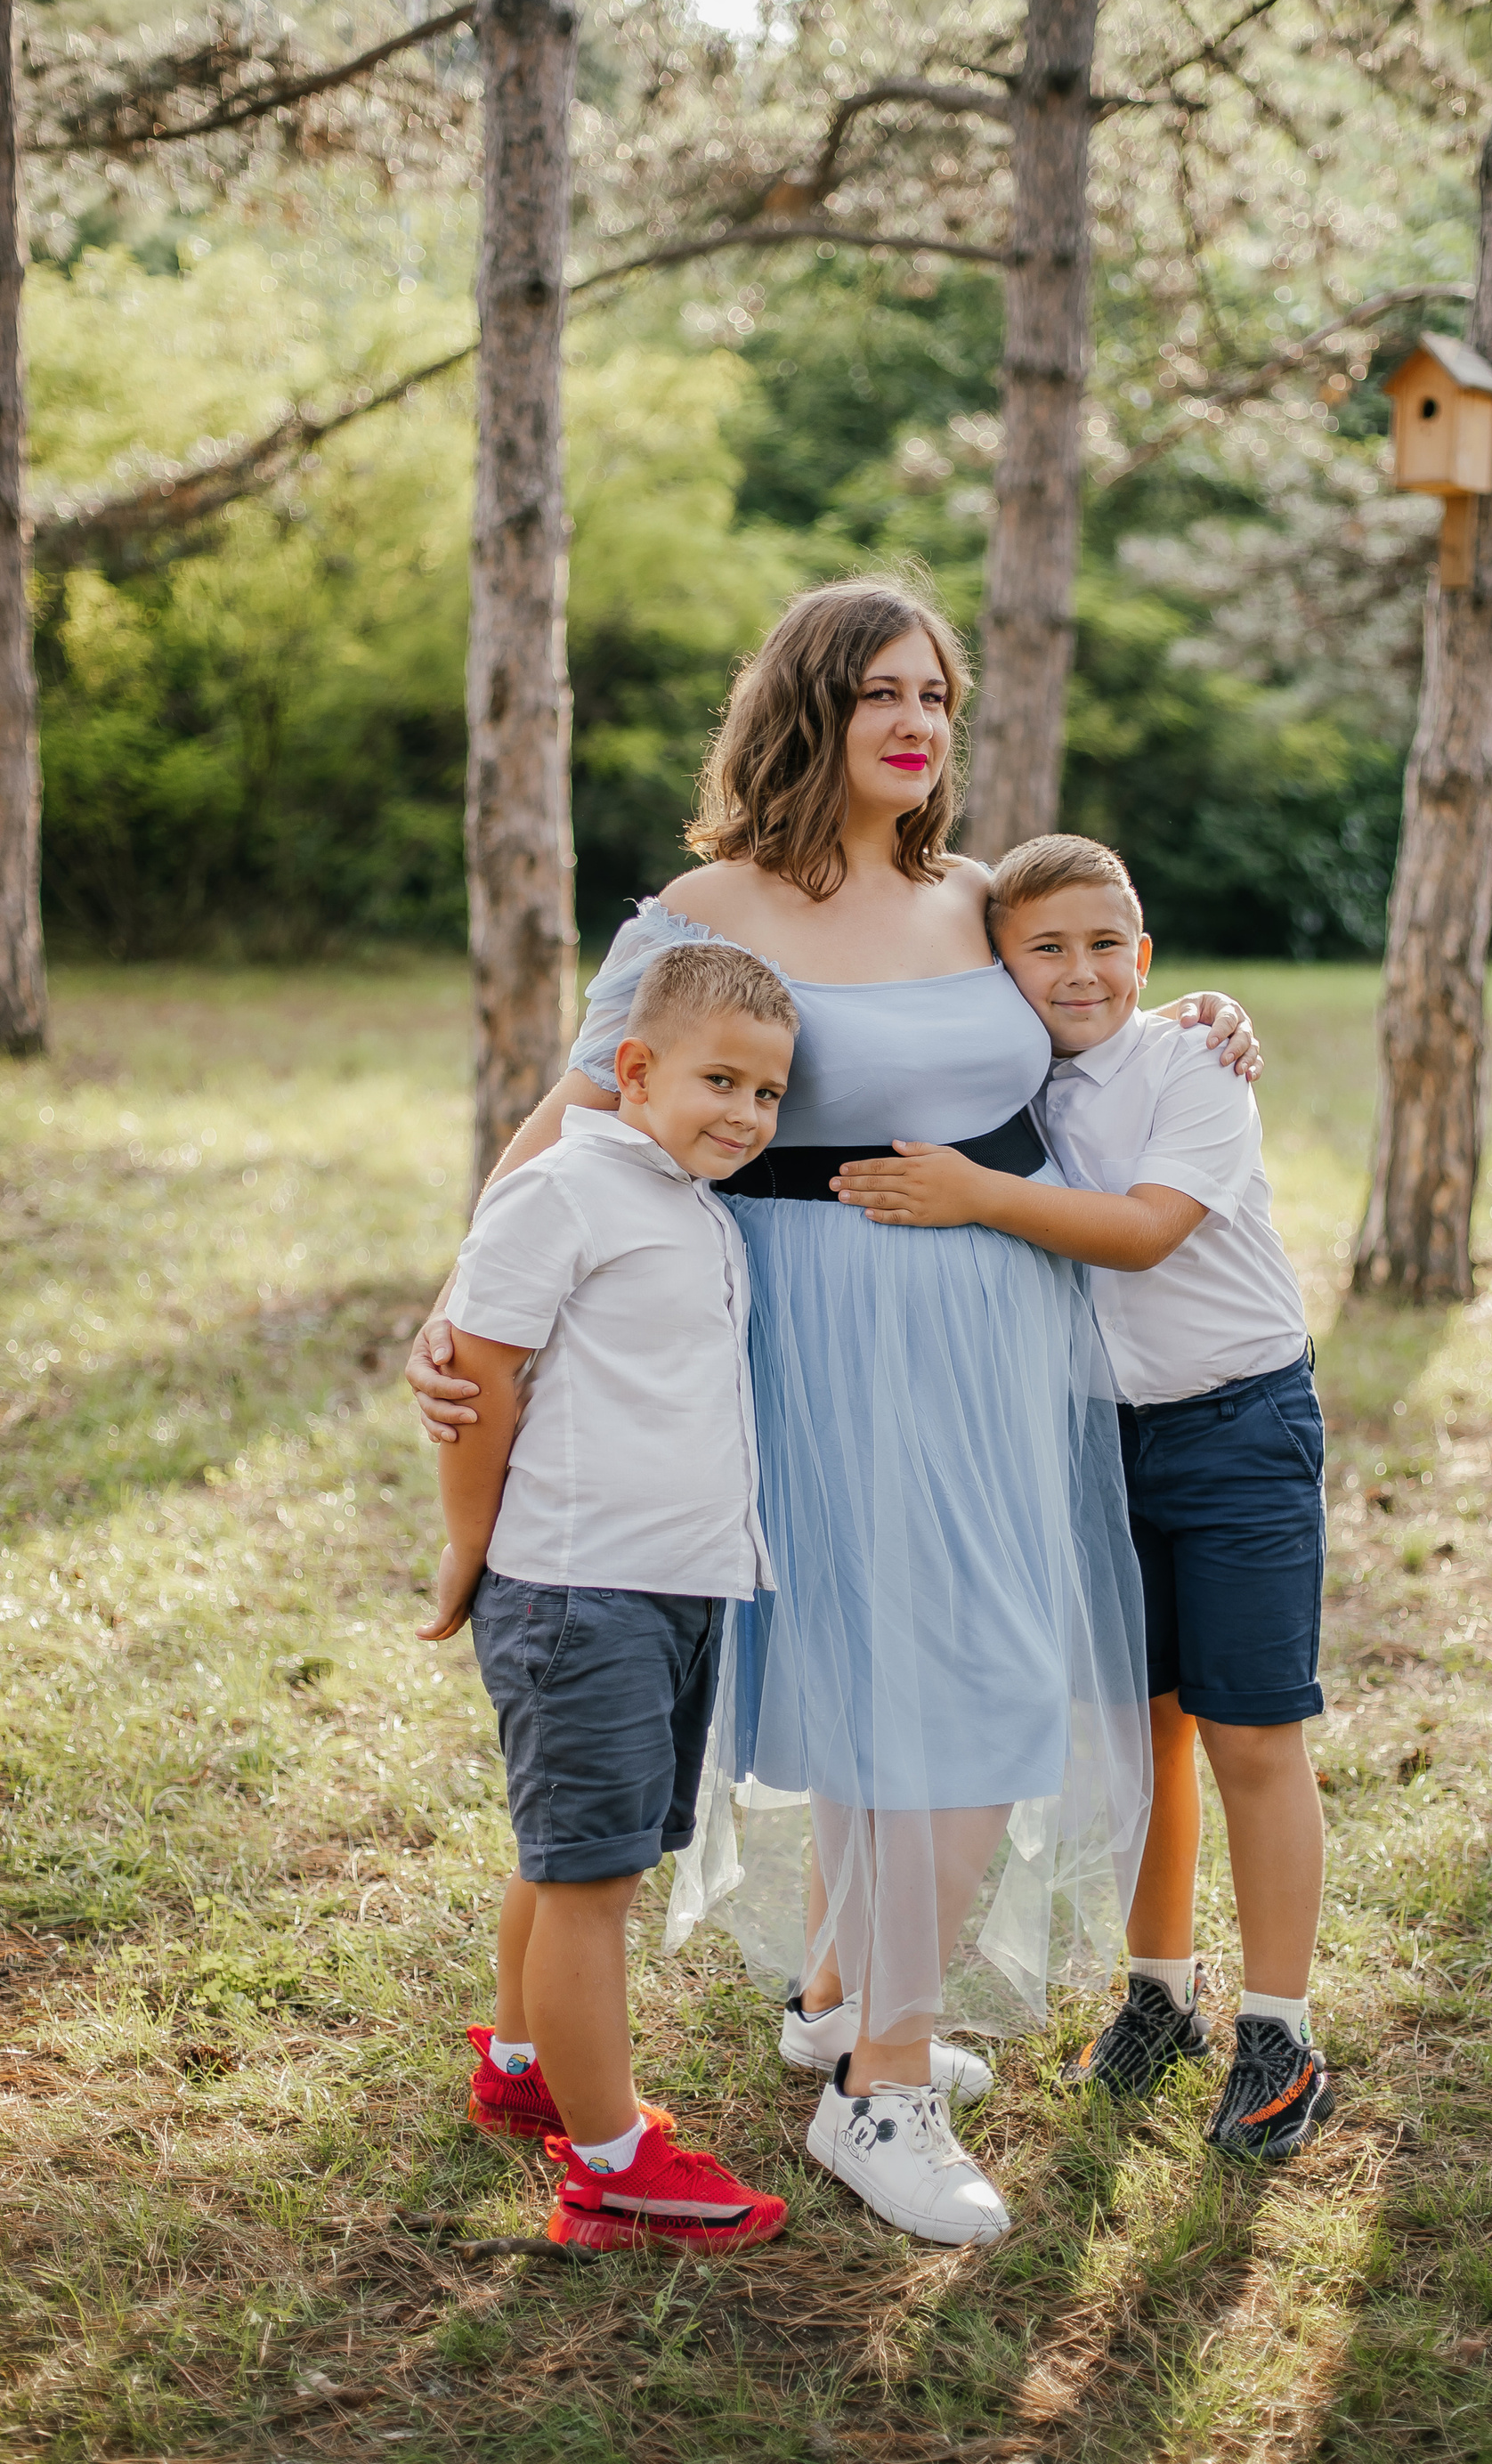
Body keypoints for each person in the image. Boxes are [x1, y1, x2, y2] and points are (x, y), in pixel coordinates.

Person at [409, 575, 1261, 2246]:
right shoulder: (704, 912)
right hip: (796, 1340)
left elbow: (1091, 1003)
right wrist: (459, 1305)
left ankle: (845, 2006)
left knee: (974, 1673)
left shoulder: (979, 896)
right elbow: (581, 1111)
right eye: (881, 690)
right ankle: (884, 2085)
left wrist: (1195, 1021)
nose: (916, 721)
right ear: (809, 705)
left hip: (992, 1343)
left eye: (936, 693)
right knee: (902, 1684)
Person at [828, 832, 1332, 2163]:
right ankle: (1160, 1993)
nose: (1081, 971)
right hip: (1091, 1441)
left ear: (1146, 956)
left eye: (1108, 944)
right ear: (998, 970)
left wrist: (975, 1196)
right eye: (1044, 948)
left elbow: (1148, 1230)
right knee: (1139, 1729)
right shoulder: (1004, 1085)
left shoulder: (1192, 1064)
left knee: (1252, 1733)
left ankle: (1280, 2034)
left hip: (1237, 1425)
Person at [419, 940, 798, 2254]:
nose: (746, 1115)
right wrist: (468, 1546)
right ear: (632, 1070)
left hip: (669, 1587)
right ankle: (613, 2168)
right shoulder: (563, 1191)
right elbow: (475, 1377)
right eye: (719, 1081)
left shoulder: (685, 1200)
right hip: (582, 1591)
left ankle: (524, 2064)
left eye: (768, 1093)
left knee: (580, 1858)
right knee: (592, 1884)